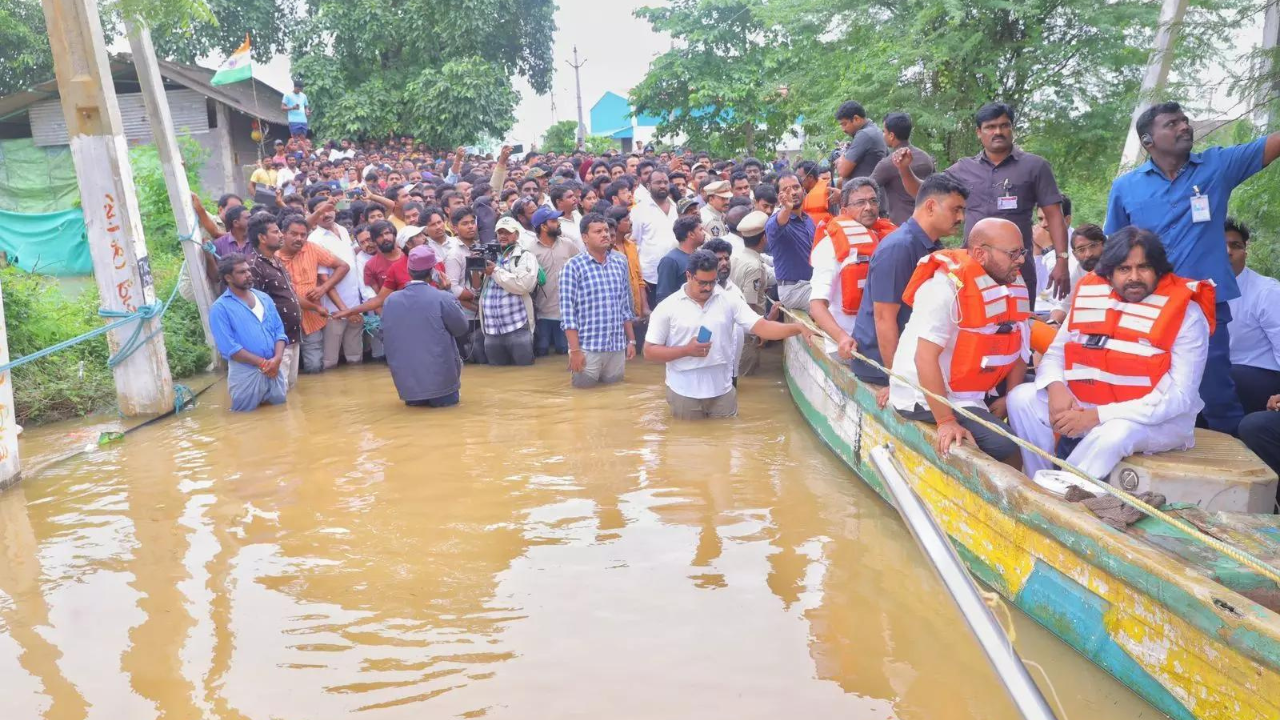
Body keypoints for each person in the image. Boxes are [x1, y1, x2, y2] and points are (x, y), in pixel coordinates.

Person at [1106, 101, 1280, 435]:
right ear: (1148, 140)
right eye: (1172, 123)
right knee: (1148, 386)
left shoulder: (1217, 166)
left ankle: (1233, 459)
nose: (1184, 126)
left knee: (1216, 393)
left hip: (1205, 304)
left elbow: (1271, 145)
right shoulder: (1126, 187)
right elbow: (1115, 250)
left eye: (1184, 120)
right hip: (1149, 306)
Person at [1008, 227, 1213, 480]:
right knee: (1022, 398)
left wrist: (1096, 417)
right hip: (1089, 405)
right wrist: (1055, 386)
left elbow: (1179, 397)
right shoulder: (1091, 297)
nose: (1134, 277)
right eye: (1124, 269)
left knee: (1116, 432)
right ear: (1109, 272)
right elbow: (1056, 353)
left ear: (1159, 270)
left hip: (1152, 421)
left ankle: (1064, 489)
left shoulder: (1188, 314)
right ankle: (1038, 478)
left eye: (1144, 267)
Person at [890, 218, 1029, 465]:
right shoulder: (943, 289)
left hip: (974, 386)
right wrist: (946, 421)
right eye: (1013, 253)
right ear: (980, 254)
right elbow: (924, 358)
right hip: (924, 395)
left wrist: (1009, 398)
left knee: (1035, 393)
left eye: (1022, 252)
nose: (1021, 260)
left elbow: (1019, 349)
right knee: (1005, 445)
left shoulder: (1012, 283)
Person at [645, 249, 811, 419]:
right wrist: (686, 350)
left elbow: (762, 327)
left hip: (722, 391)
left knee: (728, 433)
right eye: (702, 283)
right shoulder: (667, 307)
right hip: (684, 392)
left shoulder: (729, 300)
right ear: (689, 276)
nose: (708, 288)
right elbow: (649, 351)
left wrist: (797, 328)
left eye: (712, 282)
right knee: (688, 436)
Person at [851, 173, 969, 400]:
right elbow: (884, 319)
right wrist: (897, 380)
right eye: (956, 210)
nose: (961, 217)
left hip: (912, 356)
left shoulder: (932, 246)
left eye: (962, 211)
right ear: (931, 206)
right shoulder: (898, 248)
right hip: (882, 365)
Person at [945, 102, 1070, 304]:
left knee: (1018, 322)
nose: (998, 132)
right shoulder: (963, 168)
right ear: (979, 132)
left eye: (1004, 125)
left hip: (1017, 269)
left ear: (1012, 128)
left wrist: (1062, 260)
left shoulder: (1035, 166)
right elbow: (928, 193)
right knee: (973, 321)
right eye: (990, 127)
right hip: (973, 268)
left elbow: (1055, 215)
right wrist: (905, 170)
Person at [809, 178, 896, 362]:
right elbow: (817, 306)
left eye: (873, 201)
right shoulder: (830, 246)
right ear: (844, 211)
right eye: (860, 202)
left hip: (884, 342)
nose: (869, 207)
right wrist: (841, 338)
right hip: (850, 346)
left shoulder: (889, 240)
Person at [381, 246, 469, 408]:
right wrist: (448, 291)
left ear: (409, 270)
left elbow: (385, 336)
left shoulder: (390, 300)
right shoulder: (443, 298)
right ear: (433, 271)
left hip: (409, 386)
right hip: (442, 383)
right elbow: (461, 328)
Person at [559, 213, 637, 388]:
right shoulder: (573, 267)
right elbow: (568, 314)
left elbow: (624, 306)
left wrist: (631, 341)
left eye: (606, 231)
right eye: (598, 232)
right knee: (583, 397)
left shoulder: (620, 263)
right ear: (585, 237)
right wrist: (575, 351)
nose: (605, 235)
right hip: (588, 348)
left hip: (616, 347)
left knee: (616, 393)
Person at [208, 254, 288, 412]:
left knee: (281, 414)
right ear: (228, 278)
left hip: (274, 368)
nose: (248, 274)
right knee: (243, 418)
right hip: (245, 373)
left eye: (248, 270)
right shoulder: (220, 308)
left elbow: (279, 331)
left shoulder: (264, 298)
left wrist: (277, 359)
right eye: (242, 272)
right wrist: (264, 363)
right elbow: (230, 348)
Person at [278, 215, 349, 374]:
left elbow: (343, 266)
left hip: (311, 320)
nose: (299, 238)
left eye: (303, 235)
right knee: (284, 370)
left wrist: (323, 288)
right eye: (294, 234)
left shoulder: (312, 248)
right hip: (283, 322)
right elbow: (288, 296)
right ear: (283, 233)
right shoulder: (273, 257)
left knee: (315, 367)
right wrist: (316, 308)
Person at [1225, 218, 1280, 413]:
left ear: (1245, 253)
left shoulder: (1266, 292)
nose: (1228, 251)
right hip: (1222, 373)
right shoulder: (1199, 290)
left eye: (1235, 246)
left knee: (1220, 377)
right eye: (1220, 245)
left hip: (1263, 375)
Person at [245, 214, 305, 388]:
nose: (281, 235)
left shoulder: (276, 260)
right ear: (262, 237)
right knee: (279, 390)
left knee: (290, 387)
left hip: (292, 336)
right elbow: (254, 307)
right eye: (276, 232)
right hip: (275, 342)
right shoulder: (253, 266)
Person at [307, 200, 365, 370]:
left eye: (329, 209)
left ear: (335, 210)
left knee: (356, 357)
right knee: (330, 360)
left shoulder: (343, 230)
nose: (326, 214)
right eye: (320, 211)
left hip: (355, 304)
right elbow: (323, 280)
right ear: (313, 215)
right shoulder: (315, 239)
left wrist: (353, 309)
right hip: (334, 309)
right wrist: (344, 309)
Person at [479, 218, 540, 366]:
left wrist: (495, 271)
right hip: (491, 330)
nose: (503, 236)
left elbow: (524, 285)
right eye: (500, 232)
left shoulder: (525, 256)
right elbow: (475, 289)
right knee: (496, 375)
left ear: (517, 235)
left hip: (517, 328)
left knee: (525, 374)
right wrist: (476, 268)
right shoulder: (489, 257)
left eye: (507, 232)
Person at [521, 207, 579, 356]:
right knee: (542, 351)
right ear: (543, 226)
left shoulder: (568, 245)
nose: (558, 223)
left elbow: (581, 270)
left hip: (566, 312)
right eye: (553, 221)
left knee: (564, 350)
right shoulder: (529, 250)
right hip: (542, 313)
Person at [871, 111, 935, 225]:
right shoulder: (926, 158)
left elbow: (866, 187)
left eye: (884, 131)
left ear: (891, 135)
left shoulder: (889, 163)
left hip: (902, 226)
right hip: (929, 224)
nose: (883, 135)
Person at [728, 210, 772, 376]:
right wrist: (760, 330)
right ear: (764, 238)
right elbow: (750, 304)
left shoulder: (735, 256)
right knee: (745, 375)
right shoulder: (754, 266)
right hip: (747, 331)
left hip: (733, 326)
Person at [767, 172, 815, 309]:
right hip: (793, 290)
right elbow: (778, 223)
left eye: (796, 187)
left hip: (812, 284)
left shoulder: (808, 219)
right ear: (779, 197)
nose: (793, 193)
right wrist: (786, 208)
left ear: (803, 190)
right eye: (786, 190)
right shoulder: (774, 221)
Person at [631, 170, 680, 303]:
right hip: (651, 276)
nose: (663, 185)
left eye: (665, 182)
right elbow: (634, 243)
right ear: (648, 186)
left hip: (677, 272)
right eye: (658, 182)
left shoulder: (677, 207)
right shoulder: (639, 210)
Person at [1044, 224, 1106, 325]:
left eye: (1093, 246)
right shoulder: (1079, 270)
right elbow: (1064, 305)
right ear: (1075, 255)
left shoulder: (1119, 270)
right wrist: (1053, 323)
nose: (1088, 254)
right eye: (1081, 249)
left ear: (1105, 245)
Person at [655, 216, 706, 306]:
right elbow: (663, 297)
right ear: (691, 234)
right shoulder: (670, 261)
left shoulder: (700, 256)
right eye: (700, 230)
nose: (704, 233)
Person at [835, 101, 887, 181]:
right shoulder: (875, 130)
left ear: (856, 119)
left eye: (844, 124)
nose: (843, 129)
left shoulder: (864, 134)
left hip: (864, 188)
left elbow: (843, 171)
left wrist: (842, 156)